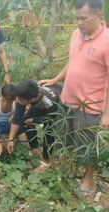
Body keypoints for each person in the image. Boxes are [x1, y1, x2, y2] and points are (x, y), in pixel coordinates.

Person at [38, 0, 109, 194]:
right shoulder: (76, 34)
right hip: (67, 100)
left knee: (87, 144)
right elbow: (72, 62)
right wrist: (55, 79)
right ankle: (71, 169)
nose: (78, 22)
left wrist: (106, 114)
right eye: (76, 18)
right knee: (66, 138)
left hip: (90, 105)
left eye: (83, 18)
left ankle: (87, 179)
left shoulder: (107, 41)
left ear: (99, 16)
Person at [5, 80, 62, 172]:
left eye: (20, 100)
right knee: (26, 121)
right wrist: (10, 139)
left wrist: (34, 120)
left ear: (32, 99)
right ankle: (34, 148)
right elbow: (17, 118)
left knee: (48, 130)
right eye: (17, 98)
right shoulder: (26, 92)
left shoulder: (49, 103)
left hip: (58, 106)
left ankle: (46, 160)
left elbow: (52, 120)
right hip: (40, 103)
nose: (17, 101)